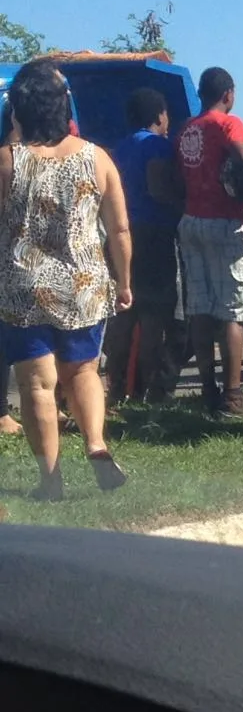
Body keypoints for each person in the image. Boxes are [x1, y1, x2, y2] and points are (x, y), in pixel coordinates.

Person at [0, 60, 129, 501]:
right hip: (84, 284)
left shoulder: (6, 162)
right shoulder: (97, 158)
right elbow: (120, 230)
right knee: (84, 371)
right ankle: (94, 441)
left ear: (18, 110)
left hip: (22, 286)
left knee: (37, 383)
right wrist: (125, 281)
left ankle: (50, 481)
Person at [176, 67, 243, 420]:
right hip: (225, 222)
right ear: (228, 94)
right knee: (235, 308)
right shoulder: (227, 123)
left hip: (192, 221)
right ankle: (233, 398)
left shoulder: (187, 129)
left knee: (202, 307)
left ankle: (207, 389)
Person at [104, 86, 183, 405]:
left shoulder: (119, 148)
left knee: (124, 313)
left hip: (122, 233)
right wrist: (185, 206)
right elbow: (157, 188)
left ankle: (117, 382)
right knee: (154, 314)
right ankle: (144, 387)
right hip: (154, 234)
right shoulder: (156, 146)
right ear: (160, 115)